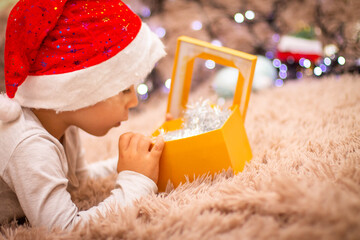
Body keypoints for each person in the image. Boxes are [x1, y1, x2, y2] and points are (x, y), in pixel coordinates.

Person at [0, 0, 166, 230]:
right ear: (77, 90)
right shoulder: (30, 145)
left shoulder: (60, 119)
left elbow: (77, 180)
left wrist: (133, 163)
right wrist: (135, 180)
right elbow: (63, 230)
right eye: (124, 89)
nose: (134, 101)